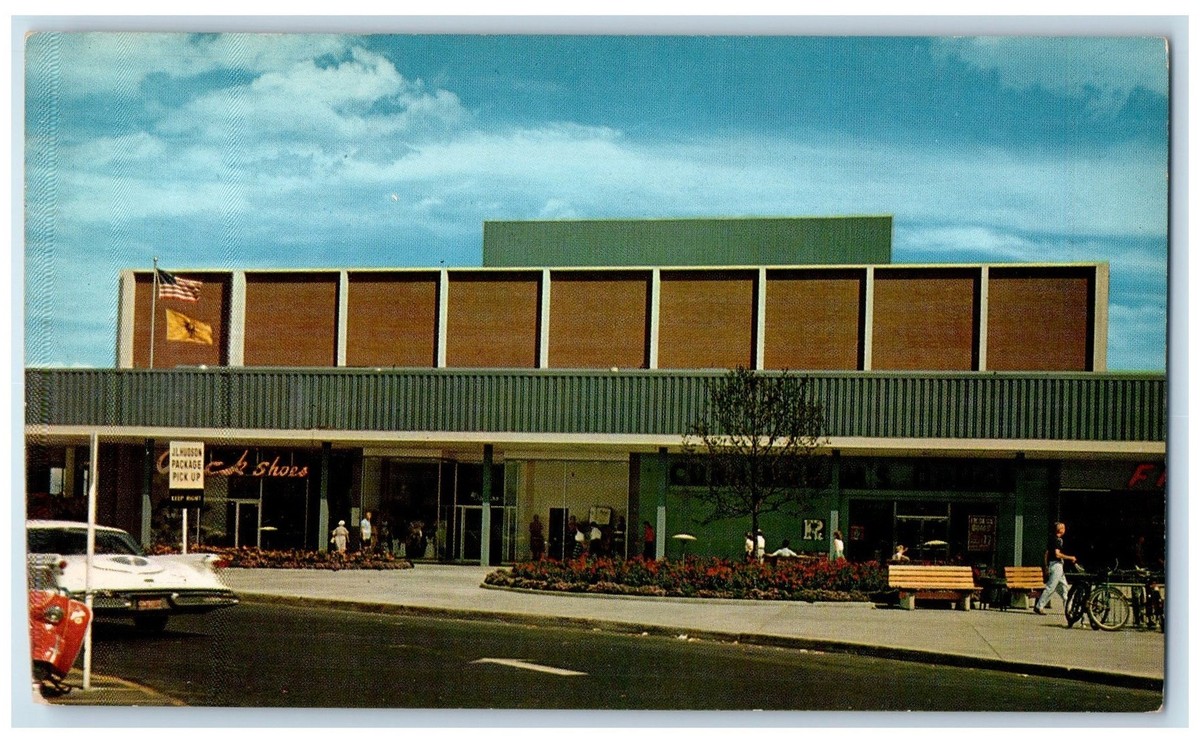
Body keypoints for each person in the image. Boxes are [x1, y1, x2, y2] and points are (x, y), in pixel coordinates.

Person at [1034, 521, 1077, 616]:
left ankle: (1068, 608)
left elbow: (1046, 553)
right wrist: (1070, 558)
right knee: (1051, 587)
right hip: (1057, 565)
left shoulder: (1051, 539)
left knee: (1064, 588)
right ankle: (1039, 606)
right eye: (1064, 528)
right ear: (1060, 530)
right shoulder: (1058, 540)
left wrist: (1046, 566)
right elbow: (1057, 554)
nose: (1065, 530)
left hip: (1054, 565)